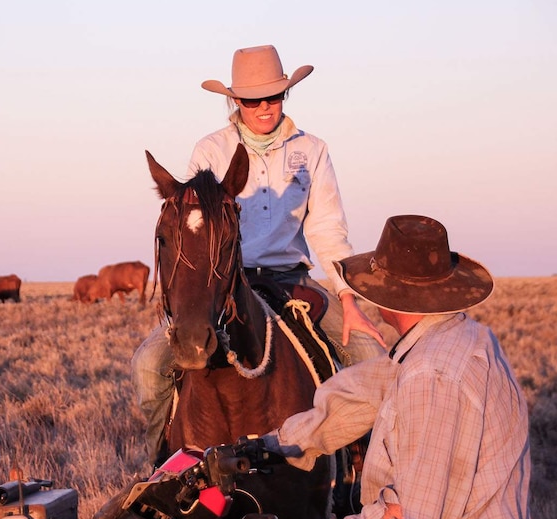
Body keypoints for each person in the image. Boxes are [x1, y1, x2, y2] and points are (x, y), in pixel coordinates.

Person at [240, 214, 539, 519]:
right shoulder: (441, 342)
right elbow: (354, 398)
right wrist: (268, 447)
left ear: (390, 293)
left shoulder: (432, 373)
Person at [132, 44, 386, 465]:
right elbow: (198, 232)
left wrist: (348, 298)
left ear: (286, 94)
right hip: (228, 283)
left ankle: (367, 478)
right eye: (252, 99)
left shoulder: (313, 150)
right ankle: (160, 466)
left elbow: (327, 228)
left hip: (292, 280)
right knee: (148, 365)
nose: (264, 107)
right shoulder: (211, 150)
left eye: (274, 96)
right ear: (235, 100)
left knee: (370, 357)